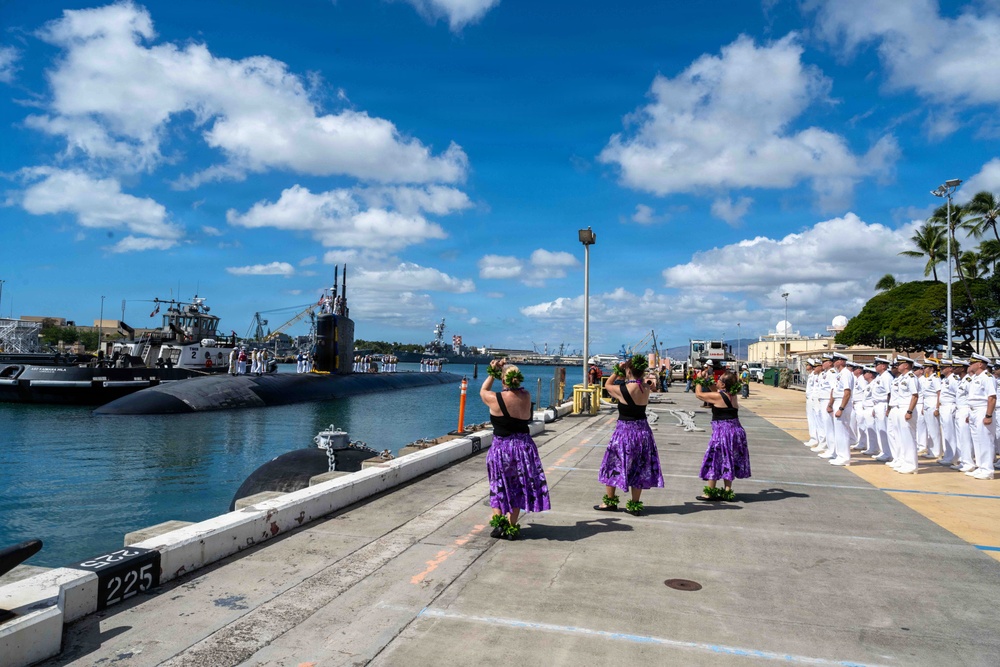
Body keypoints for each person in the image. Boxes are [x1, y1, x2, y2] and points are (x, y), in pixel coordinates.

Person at [480, 359, 550, 539]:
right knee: (518, 485)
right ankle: (511, 526)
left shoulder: (495, 399)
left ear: (503, 380)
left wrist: (493, 371)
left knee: (498, 485)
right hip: (523, 447)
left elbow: (483, 391)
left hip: (502, 448)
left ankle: (499, 524)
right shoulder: (526, 396)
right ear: (518, 379)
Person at [594, 355, 665, 515]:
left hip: (625, 432)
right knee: (639, 467)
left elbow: (607, 385)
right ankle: (634, 504)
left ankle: (610, 501)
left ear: (628, 370)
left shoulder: (623, 390)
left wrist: (617, 371)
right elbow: (648, 384)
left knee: (613, 464)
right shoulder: (645, 388)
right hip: (643, 431)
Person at [694, 368, 750, 500]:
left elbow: (699, 394)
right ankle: (727, 490)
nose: (716, 381)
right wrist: (706, 378)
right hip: (736, 431)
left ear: (724, 385)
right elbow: (714, 389)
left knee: (714, 459)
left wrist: (697, 380)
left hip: (723, 432)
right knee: (728, 460)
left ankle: (709, 492)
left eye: (719, 380)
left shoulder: (719, 396)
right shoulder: (732, 394)